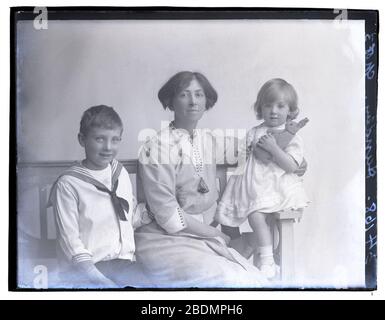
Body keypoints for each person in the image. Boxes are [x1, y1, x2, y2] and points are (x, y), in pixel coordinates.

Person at [134, 71, 269, 288]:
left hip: (201, 239)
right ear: (171, 101)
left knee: (255, 282)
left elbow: (251, 146)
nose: (193, 101)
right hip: (164, 241)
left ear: (207, 101)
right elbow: (169, 216)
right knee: (229, 280)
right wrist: (216, 234)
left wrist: (291, 157)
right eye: (184, 95)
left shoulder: (208, 141)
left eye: (199, 94)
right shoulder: (157, 147)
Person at [215, 78, 310, 279]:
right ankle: (240, 252)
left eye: (280, 106)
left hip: (276, 187)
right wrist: (246, 150)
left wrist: (274, 148)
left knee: (256, 215)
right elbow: (245, 157)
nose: (273, 110)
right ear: (260, 108)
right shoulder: (255, 131)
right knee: (233, 217)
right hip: (252, 186)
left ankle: (267, 259)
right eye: (268, 105)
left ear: (290, 110)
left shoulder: (292, 136)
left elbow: (292, 166)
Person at [49, 105, 152, 288]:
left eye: (115, 140)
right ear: (82, 139)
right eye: (99, 139)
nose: (108, 147)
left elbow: (129, 218)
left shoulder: (120, 173)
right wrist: (101, 281)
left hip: (125, 264)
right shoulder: (69, 184)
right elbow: (70, 242)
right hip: (86, 270)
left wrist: (154, 211)